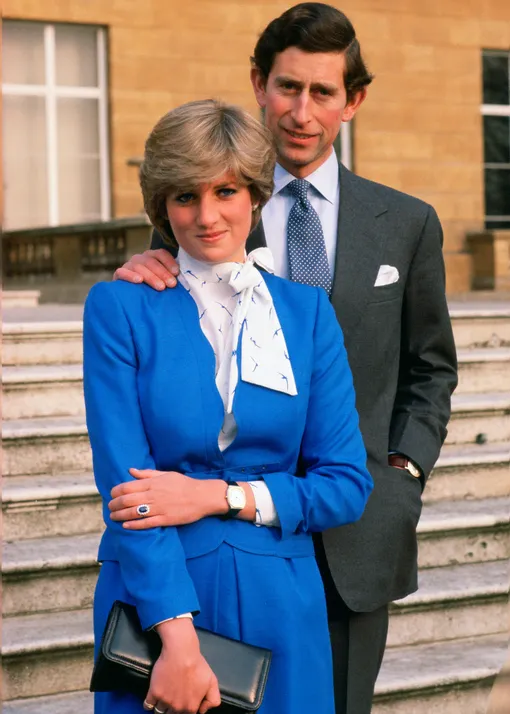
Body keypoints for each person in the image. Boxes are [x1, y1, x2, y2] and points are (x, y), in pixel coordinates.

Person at [113, 4, 458, 713]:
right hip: (223, 543)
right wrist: (143, 269)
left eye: (323, 92)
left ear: (352, 102)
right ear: (258, 86)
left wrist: (403, 475)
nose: (302, 111)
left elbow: (432, 366)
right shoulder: (216, 200)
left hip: (355, 528)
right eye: (287, 88)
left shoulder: (409, 223)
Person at [84, 99, 373, 714]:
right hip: (155, 602)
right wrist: (179, 643)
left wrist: (220, 496)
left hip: (281, 604)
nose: (207, 216)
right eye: (185, 196)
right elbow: (126, 489)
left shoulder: (307, 313)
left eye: (226, 191)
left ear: (256, 195)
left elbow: (345, 484)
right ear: (162, 205)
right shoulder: (120, 308)